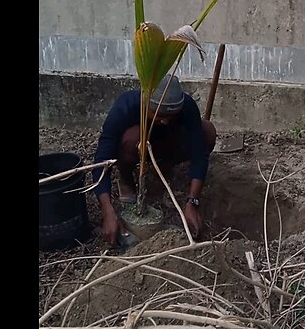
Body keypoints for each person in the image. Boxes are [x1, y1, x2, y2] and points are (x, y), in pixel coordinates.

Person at [93, 75, 217, 245]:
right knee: (131, 138)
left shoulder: (187, 106)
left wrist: (192, 202)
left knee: (207, 131)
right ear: (146, 105)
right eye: (160, 115)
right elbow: (102, 159)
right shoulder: (126, 106)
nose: (165, 121)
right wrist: (107, 211)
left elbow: (199, 153)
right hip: (139, 146)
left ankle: (164, 168)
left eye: (171, 115)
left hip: (168, 143)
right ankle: (127, 180)